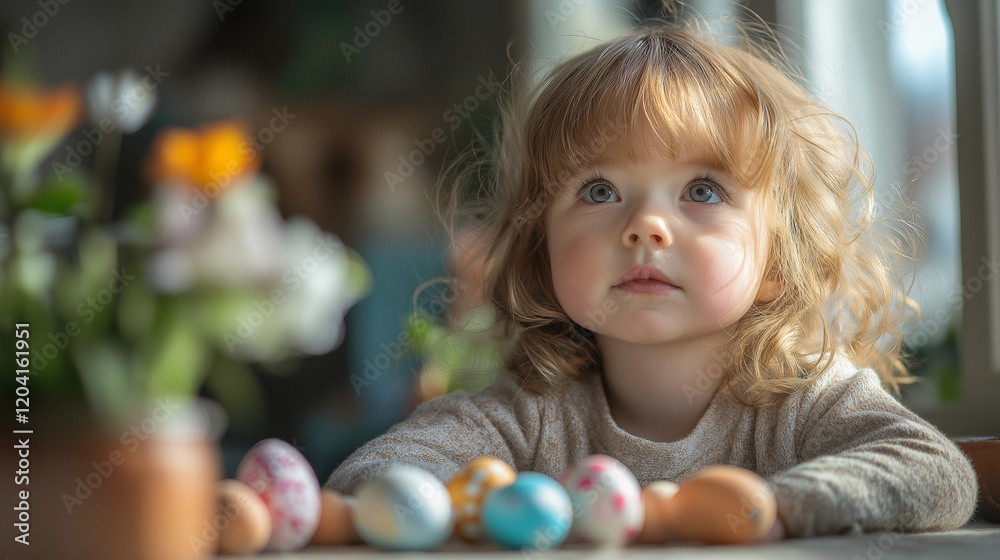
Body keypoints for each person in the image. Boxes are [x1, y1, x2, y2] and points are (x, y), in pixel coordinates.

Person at [325, 18, 978, 540]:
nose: (645, 226)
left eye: (702, 190)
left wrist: (769, 507)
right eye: (600, 190)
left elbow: (937, 472)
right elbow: (367, 476)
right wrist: (477, 506)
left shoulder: (806, 401)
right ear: (542, 253)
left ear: (779, 262)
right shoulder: (528, 413)